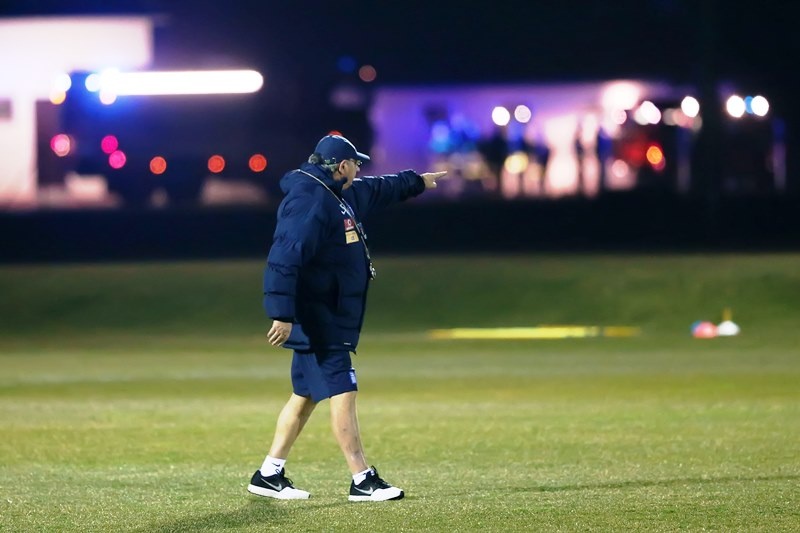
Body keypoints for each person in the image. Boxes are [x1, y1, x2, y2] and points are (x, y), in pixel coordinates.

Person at [247, 134, 445, 502]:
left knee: (304, 396)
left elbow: (376, 189)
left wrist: (418, 181)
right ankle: (362, 479)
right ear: (341, 166)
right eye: (356, 163)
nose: (360, 169)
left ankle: (268, 473)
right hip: (317, 314)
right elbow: (284, 257)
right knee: (344, 388)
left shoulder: (336, 194)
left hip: (326, 311)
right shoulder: (311, 200)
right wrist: (281, 314)